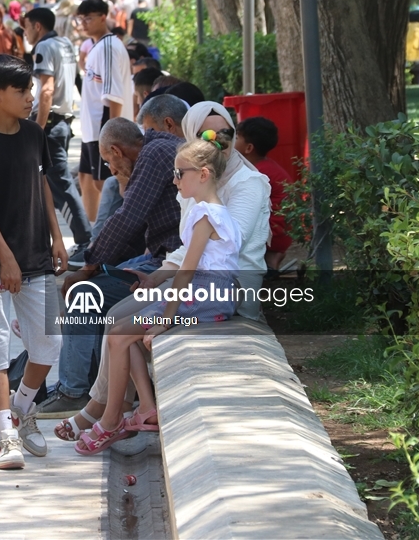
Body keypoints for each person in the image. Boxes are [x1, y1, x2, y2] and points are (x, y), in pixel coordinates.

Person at [54, 100, 270, 441]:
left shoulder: (241, 184)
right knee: (118, 320)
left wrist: (166, 304)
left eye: (225, 133)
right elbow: (190, 251)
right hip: (194, 284)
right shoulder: (195, 184)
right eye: (204, 135)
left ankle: (101, 409)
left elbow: (221, 252)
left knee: (113, 317)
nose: (216, 142)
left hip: (219, 292)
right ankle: (119, 409)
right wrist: (159, 275)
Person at [75, 132, 243, 454]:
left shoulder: (206, 215)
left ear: (203, 175)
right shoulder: (212, 210)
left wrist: (166, 318)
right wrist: (156, 286)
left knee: (119, 336)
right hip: (210, 292)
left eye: (180, 173)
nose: (174, 180)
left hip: (205, 293)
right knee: (125, 334)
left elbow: (189, 270)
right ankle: (145, 408)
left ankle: (112, 421)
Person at [0, 54, 69, 470]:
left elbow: (42, 185)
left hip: (38, 255)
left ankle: (21, 410)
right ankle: (6, 435)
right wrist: (5, 258)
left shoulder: (33, 134)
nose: (30, 97)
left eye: (30, 89)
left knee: (50, 342)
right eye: (22, 91)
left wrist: (57, 238)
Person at [43, 101, 185, 423]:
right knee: (90, 283)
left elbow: (127, 218)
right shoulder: (157, 149)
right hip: (161, 256)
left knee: (83, 296)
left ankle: (73, 391)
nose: (112, 169)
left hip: (173, 264)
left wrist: (88, 267)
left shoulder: (152, 154)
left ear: (117, 152)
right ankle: (85, 388)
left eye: (109, 162)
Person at [21, 6, 91, 258]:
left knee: (60, 184)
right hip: (63, 120)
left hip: (49, 124)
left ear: (37, 26)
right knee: (49, 184)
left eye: (26, 27)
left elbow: (47, 90)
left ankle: (85, 240)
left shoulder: (43, 47)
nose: (25, 33)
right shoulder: (65, 43)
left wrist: (37, 129)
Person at [76, 0, 133, 223]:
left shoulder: (108, 47)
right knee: (86, 178)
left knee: (106, 182)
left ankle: (114, 233)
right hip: (91, 128)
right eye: (81, 19)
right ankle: (92, 233)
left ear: (103, 17)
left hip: (104, 125)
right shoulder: (96, 47)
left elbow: (113, 95)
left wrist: (111, 137)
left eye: (88, 18)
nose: (84, 23)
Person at [235, 117, 292, 274]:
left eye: (237, 137)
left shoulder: (257, 173)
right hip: (282, 233)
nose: (232, 140)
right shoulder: (265, 167)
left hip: (274, 234)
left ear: (248, 148)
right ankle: (271, 260)